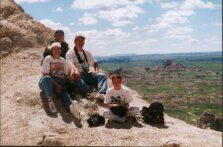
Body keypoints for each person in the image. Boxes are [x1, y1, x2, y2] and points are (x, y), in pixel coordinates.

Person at [38, 42, 81, 119]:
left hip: (58, 83)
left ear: (61, 50)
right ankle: (50, 101)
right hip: (46, 83)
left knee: (63, 91)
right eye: (55, 49)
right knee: (47, 79)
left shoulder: (62, 60)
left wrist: (72, 74)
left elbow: (69, 70)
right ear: (52, 50)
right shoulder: (48, 58)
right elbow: (45, 74)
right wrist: (57, 85)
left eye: (59, 49)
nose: (57, 50)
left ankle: (71, 108)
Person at [66, 34, 107, 100]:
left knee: (102, 76)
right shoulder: (70, 53)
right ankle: (88, 92)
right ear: (74, 41)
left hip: (87, 74)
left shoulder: (86, 52)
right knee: (75, 75)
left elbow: (95, 62)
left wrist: (96, 71)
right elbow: (71, 65)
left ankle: (101, 94)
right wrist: (76, 71)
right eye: (79, 41)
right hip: (78, 76)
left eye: (82, 41)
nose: (81, 43)